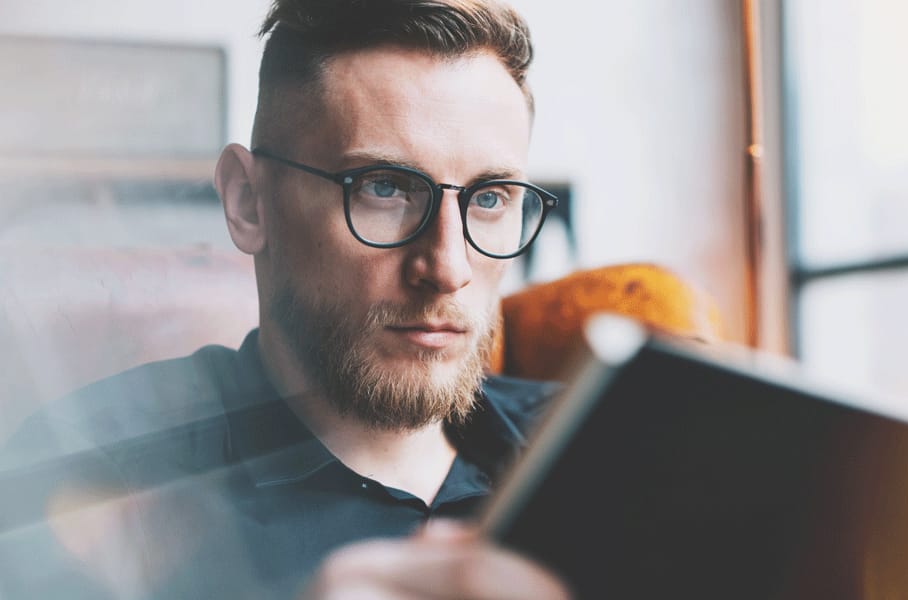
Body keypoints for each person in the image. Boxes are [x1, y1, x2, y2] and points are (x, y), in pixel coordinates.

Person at [0, 1, 570, 598]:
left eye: (490, 198)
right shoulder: (94, 469)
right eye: (383, 187)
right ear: (248, 201)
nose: (448, 268)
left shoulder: (603, 449)